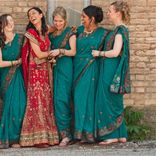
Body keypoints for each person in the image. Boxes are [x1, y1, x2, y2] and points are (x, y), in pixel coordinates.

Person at [92, 0, 131, 145]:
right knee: (114, 100)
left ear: (118, 13)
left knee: (107, 100)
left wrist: (99, 53)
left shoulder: (120, 31)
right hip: (111, 68)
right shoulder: (119, 30)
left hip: (111, 69)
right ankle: (121, 134)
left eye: (110, 11)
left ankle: (112, 135)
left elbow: (115, 52)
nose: (107, 13)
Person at [20, 7, 59, 147]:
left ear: (41, 15)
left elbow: (54, 28)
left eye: (34, 13)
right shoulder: (31, 33)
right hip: (35, 70)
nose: (31, 16)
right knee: (36, 101)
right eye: (29, 15)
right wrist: (53, 54)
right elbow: (38, 54)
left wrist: (63, 26)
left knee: (46, 100)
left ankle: (48, 137)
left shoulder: (45, 31)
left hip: (45, 70)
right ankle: (36, 138)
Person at [73, 5, 108, 143]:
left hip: (92, 70)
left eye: (84, 17)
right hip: (77, 70)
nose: (81, 19)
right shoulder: (78, 31)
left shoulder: (103, 33)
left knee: (90, 101)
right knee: (79, 100)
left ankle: (89, 134)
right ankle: (80, 133)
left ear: (92, 19)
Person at [0, 14, 26, 149]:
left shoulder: (20, 38)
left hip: (19, 76)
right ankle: (10, 140)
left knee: (21, 105)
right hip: (6, 78)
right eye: (8, 22)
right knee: (10, 107)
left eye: (12, 20)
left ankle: (19, 137)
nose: (11, 24)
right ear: (2, 25)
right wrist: (15, 62)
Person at [48, 6, 76, 146]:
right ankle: (57, 134)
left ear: (65, 20)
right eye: (55, 20)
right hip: (54, 68)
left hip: (65, 67)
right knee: (54, 100)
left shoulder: (70, 33)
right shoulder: (52, 35)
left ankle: (66, 135)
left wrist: (60, 51)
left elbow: (73, 51)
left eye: (60, 21)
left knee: (62, 99)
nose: (58, 23)